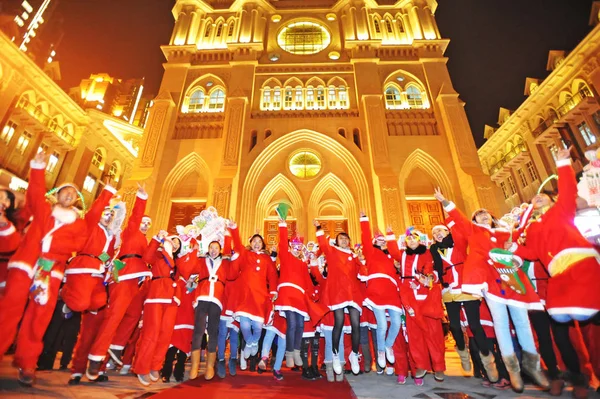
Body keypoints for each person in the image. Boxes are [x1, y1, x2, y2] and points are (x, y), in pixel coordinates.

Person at [433, 187, 549, 393]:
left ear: (491, 217)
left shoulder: (505, 232)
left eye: (485, 213)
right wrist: (444, 201)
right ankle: (512, 370)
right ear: (475, 221)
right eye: (478, 215)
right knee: (501, 324)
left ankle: (533, 366)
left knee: (521, 321)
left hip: (510, 279)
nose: (483, 215)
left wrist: (532, 206)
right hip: (489, 281)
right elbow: (458, 218)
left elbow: (520, 227)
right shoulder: (473, 231)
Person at [0, 152, 89, 386]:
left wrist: (52, 250)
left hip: (51, 273)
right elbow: (35, 192)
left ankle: (27, 362)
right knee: (8, 310)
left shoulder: (79, 225)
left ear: (76, 200)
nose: (69, 195)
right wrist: (38, 166)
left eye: (73, 194)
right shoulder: (43, 211)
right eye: (65, 191)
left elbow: (78, 245)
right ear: (57, 195)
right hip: (26, 264)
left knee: (38, 317)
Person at [86, 183, 151, 379]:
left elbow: (109, 254)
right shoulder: (130, 232)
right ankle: (96, 358)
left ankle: (113, 350)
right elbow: (107, 254)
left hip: (136, 280)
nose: (145, 225)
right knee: (114, 316)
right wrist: (141, 198)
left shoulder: (143, 240)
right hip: (123, 276)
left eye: (148, 223)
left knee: (131, 316)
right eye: (144, 222)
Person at [429, 219, 498, 380]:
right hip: (448, 290)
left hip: (465, 287)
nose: (438, 234)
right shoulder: (434, 251)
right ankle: (463, 354)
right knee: (454, 325)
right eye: (434, 233)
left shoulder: (458, 245)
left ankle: (489, 362)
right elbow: (435, 272)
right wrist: (429, 279)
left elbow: (460, 230)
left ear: (447, 232)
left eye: (441, 231)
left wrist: (448, 215)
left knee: (474, 325)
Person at [386, 227, 446, 385]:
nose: (411, 240)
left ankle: (438, 366)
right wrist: (390, 235)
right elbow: (393, 252)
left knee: (433, 331)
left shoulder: (428, 252)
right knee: (414, 333)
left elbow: (431, 270)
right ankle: (421, 364)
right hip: (407, 292)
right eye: (408, 238)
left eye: (414, 237)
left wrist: (425, 280)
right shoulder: (403, 254)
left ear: (420, 239)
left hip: (425, 292)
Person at [179, 230, 234, 380]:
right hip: (202, 296)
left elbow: (230, 258)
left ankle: (210, 366)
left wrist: (228, 234)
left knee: (213, 331)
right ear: (208, 249)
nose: (213, 250)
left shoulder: (225, 262)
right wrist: (192, 248)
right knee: (198, 330)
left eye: (216, 248)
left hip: (216, 298)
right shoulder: (202, 260)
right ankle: (195, 365)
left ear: (220, 249)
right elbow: (188, 270)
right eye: (211, 248)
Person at [313, 219, 363, 376]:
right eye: (341, 238)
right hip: (338, 292)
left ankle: (354, 354)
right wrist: (319, 227)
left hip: (353, 292)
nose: (345, 240)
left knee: (356, 324)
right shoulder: (332, 251)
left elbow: (361, 272)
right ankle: (335, 354)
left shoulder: (354, 256)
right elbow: (322, 243)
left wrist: (361, 260)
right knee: (339, 322)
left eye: (346, 238)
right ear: (337, 241)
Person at [132, 231, 181, 386]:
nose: (175, 244)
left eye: (178, 243)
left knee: (165, 334)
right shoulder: (159, 255)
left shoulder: (179, 261)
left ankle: (155, 365)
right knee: (151, 332)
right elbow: (146, 257)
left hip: (172, 299)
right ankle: (142, 367)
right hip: (156, 295)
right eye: (173, 241)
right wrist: (156, 239)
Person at [226, 223, 278, 362]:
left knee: (258, 326)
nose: (256, 243)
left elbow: (273, 276)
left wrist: (273, 291)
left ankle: (253, 342)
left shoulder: (267, 259)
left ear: (263, 245)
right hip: (244, 295)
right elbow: (237, 244)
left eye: (259, 241)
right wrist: (234, 229)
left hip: (260, 296)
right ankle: (250, 342)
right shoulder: (245, 254)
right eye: (254, 241)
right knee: (244, 325)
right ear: (250, 243)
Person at [358, 212, 403, 370]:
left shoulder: (392, 256)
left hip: (391, 290)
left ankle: (388, 345)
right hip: (376, 289)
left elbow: (397, 253)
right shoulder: (370, 252)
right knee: (382, 325)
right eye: (379, 240)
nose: (381, 242)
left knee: (396, 322)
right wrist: (364, 220)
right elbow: (365, 238)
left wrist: (390, 235)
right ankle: (381, 351)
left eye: (383, 240)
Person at [274, 220, 319, 369]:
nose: (297, 249)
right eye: (294, 247)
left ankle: (296, 351)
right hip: (287, 294)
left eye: (299, 248)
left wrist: (312, 294)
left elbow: (307, 281)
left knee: (300, 324)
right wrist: (283, 226)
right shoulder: (286, 258)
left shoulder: (302, 264)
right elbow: (282, 243)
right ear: (290, 247)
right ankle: (289, 353)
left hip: (299, 297)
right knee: (292, 323)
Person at [0, 189, 21, 295]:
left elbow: (10, 245)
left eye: (6, 199)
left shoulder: (12, 224)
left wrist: (4, 224)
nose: (3, 201)